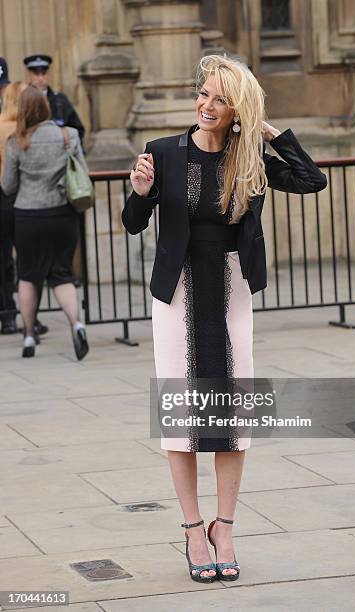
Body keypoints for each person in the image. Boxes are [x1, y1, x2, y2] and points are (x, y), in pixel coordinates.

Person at [122, 54, 327, 583]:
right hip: (177, 291)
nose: (206, 105)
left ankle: (226, 527)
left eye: (220, 98)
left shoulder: (250, 155)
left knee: (233, 417)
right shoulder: (163, 152)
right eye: (203, 94)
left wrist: (271, 133)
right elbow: (132, 222)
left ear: (238, 109)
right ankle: (193, 529)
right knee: (182, 413)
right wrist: (140, 193)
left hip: (232, 286)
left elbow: (311, 180)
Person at [1, 85, 89, 360]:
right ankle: (76, 324)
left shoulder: (16, 142)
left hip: (28, 215)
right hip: (63, 214)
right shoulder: (68, 135)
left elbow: (8, 185)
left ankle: (28, 335)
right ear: (46, 107)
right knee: (62, 273)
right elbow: (82, 172)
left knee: (28, 275)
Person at [0, 81, 27, 334]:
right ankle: (30, 317)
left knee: (3, 259)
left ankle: (8, 314)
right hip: (21, 197)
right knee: (28, 261)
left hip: (4, 196)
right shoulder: (23, 130)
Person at [24, 55, 85, 143]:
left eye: (44, 73)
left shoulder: (60, 100)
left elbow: (78, 130)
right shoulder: (22, 100)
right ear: (29, 75)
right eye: (36, 74)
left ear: (49, 75)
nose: (40, 78)